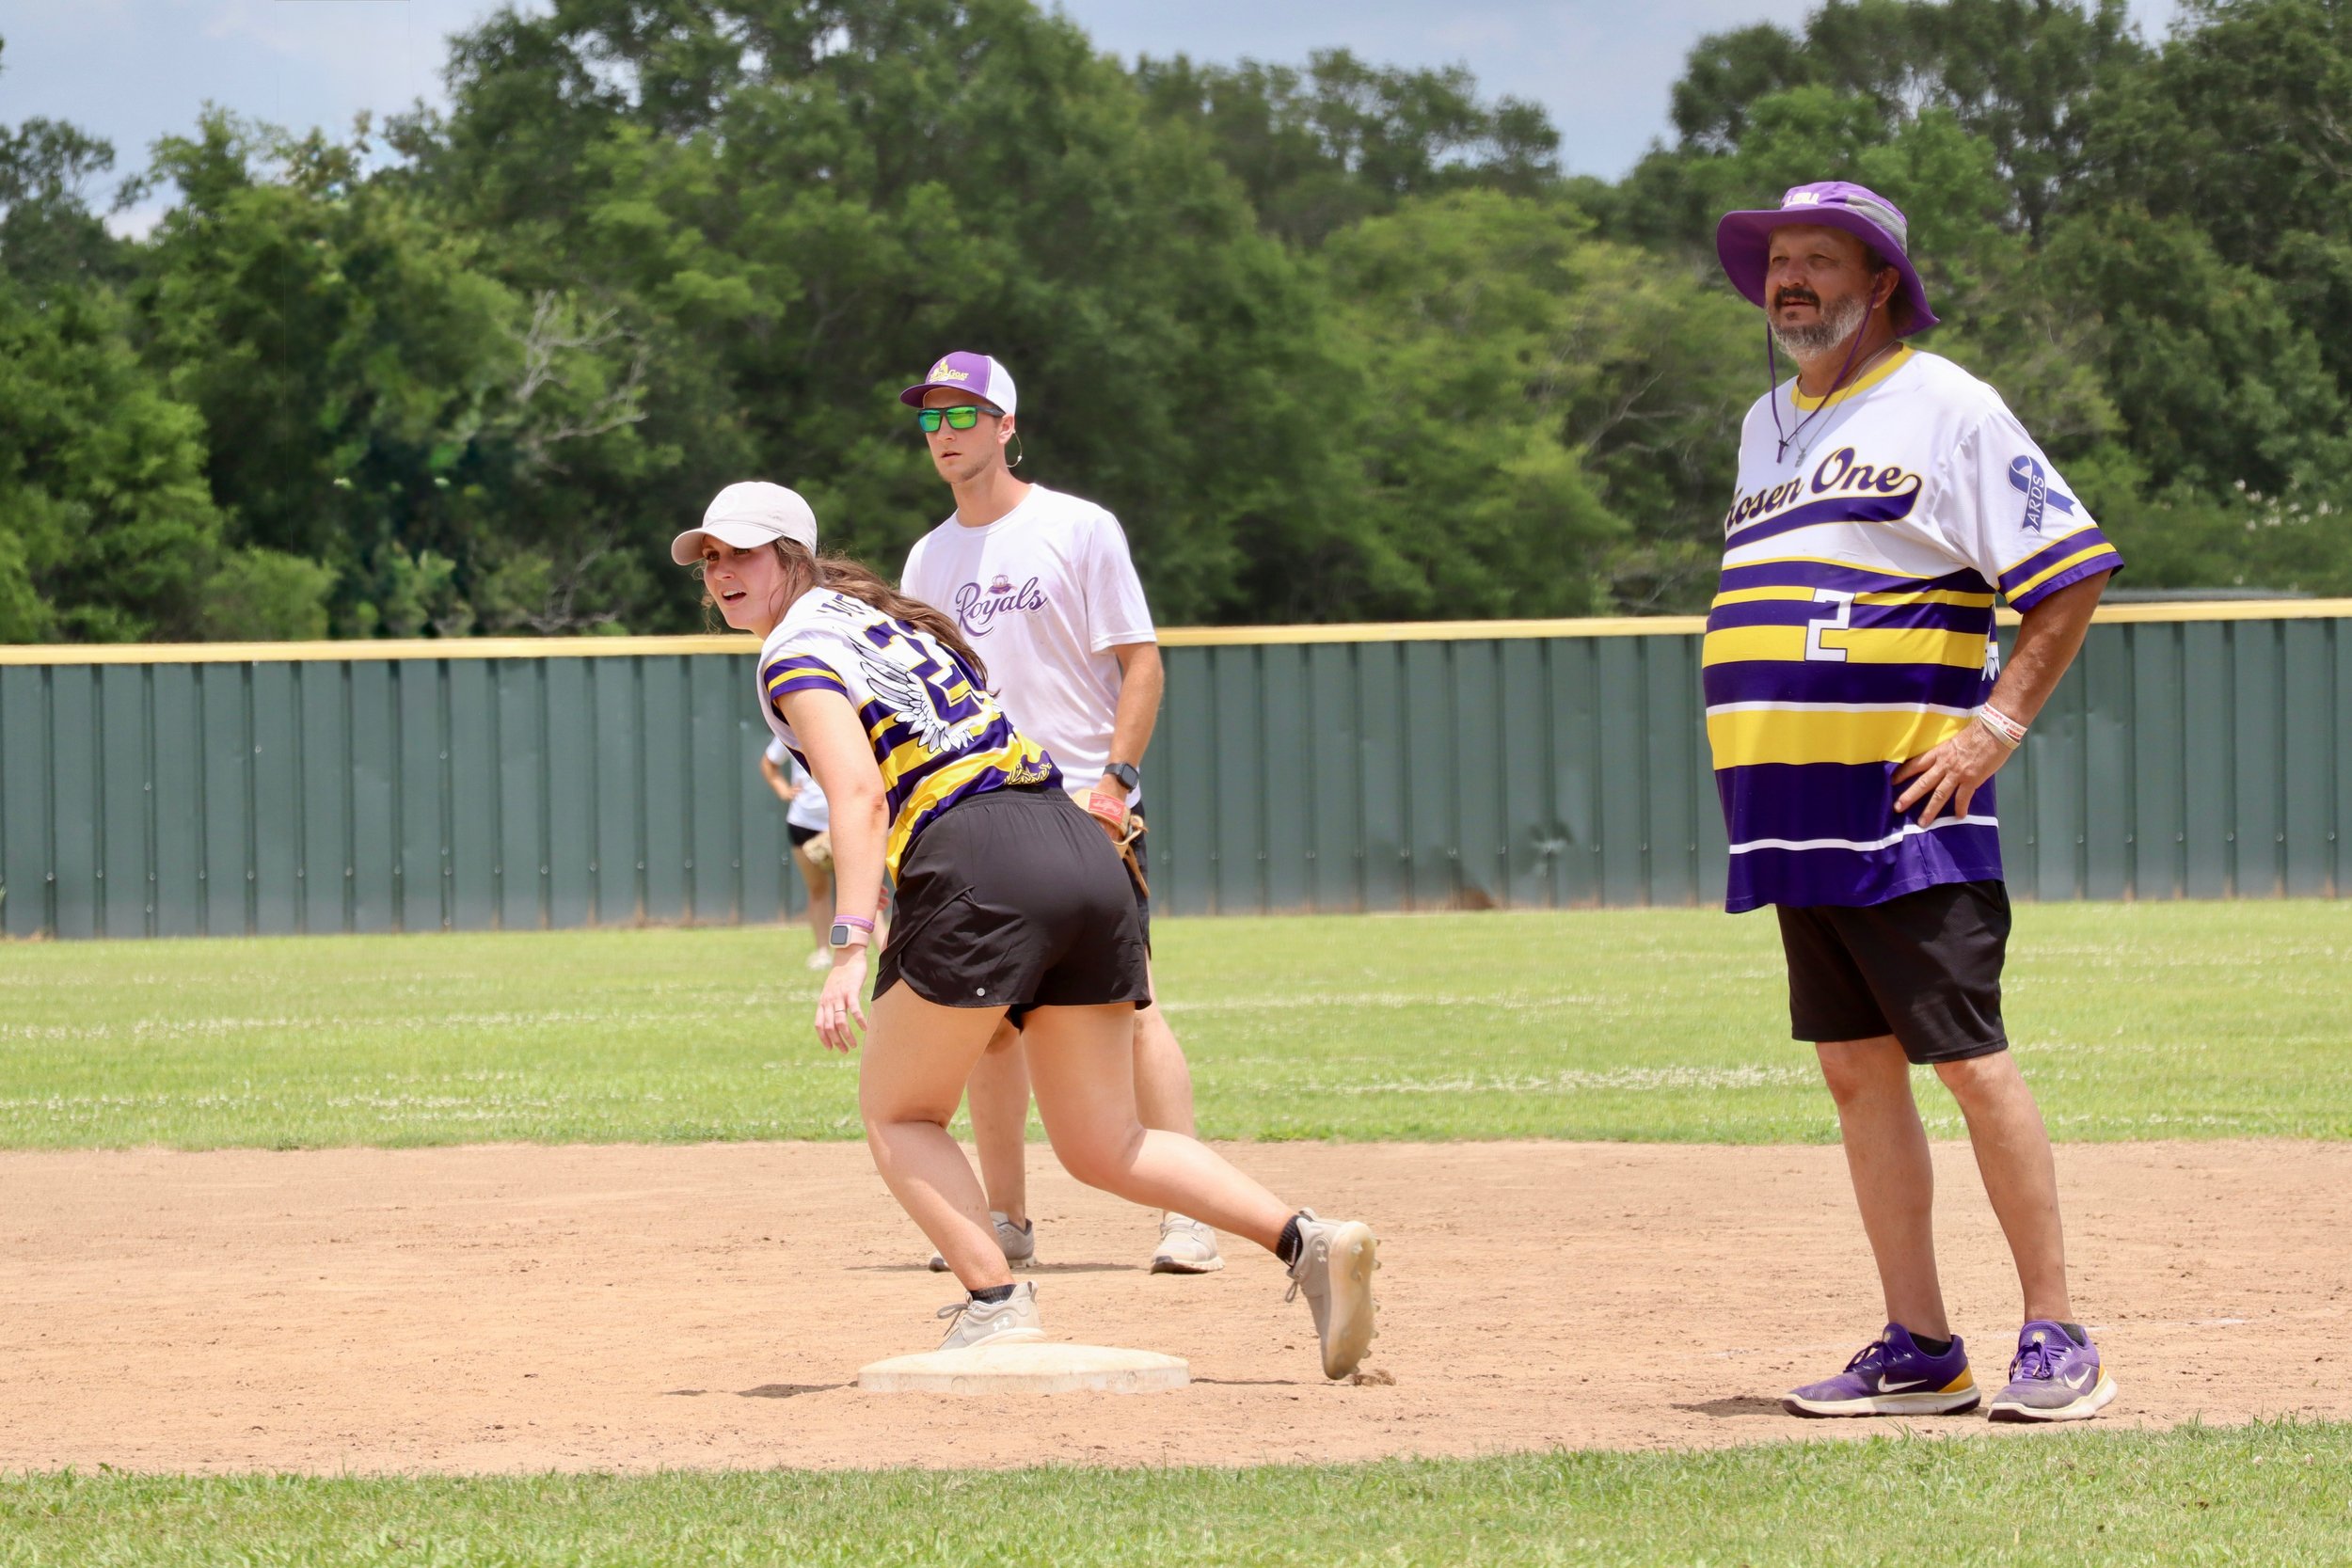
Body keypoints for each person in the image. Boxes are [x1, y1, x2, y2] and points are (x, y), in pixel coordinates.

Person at [671, 479, 1380, 1376]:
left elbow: (854, 791)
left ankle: (995, 1300)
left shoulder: (793, 648)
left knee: (900, 1111)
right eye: (711, 559)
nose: (722, 572)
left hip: (977, 857)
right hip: (1074, 843)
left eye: (742, 551)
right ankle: (1306, 1241)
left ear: (793, 557)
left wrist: (851, 942)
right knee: (1104, 1143)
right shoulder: (888, 619)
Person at [1708, 182, 2124, 1422]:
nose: (1791, 281)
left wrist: (1996, 723)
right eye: (1779, 261)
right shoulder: (1765, 423)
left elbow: (2070, 569)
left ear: (1879, 281)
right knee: (1854, 1069)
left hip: (1903, 802)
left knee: (1971, 1062)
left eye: (1819, 261)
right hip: (1791, 816)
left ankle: (2056, 1332)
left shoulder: (1946, 403)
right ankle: (1922, 1342)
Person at [895, 351, 1219, 1275]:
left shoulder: (1078, 528)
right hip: (983, 810)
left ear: (1005, 425)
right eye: (930, 419)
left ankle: (1186, 1219)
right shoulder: (929, 555)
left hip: (1081, 797)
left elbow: (1141, 662)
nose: (946, 433)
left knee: (1135, 1006)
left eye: (964, 415)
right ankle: (1006, 1218)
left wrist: (1115, 780)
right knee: (990, 1022)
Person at [759, 739, 835, 970]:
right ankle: (823, 951)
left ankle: (880, 950)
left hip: (840, 820)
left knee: (863, 892)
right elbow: (768, 763)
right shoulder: (791, 729)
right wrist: (783, 789)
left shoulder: (849, 722)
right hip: (804, 821)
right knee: (818, 889)